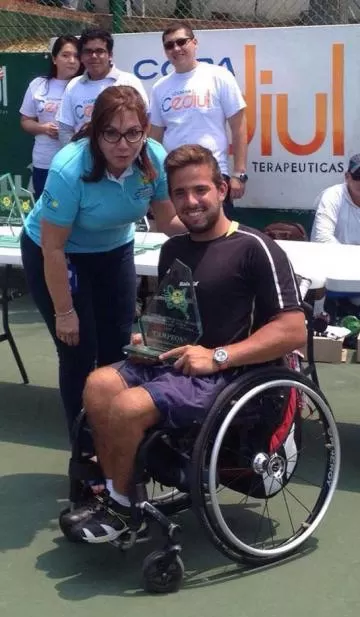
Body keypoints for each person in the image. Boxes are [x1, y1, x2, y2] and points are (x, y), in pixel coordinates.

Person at [62, 144, 307, 543]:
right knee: (98, 384)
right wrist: (154, 334)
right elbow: (178, 316)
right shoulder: (174, 249)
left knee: (128, 406)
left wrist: (217, 356)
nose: (190, 202)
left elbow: (293, 331)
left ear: (222, 189)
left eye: (200, 190)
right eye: (179, 193)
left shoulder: (255, 248)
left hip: (231, 376)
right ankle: (117, 492)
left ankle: (122, 509)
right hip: (174, 365)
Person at [20, 85, 184, 439]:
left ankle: (115, 441)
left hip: (114, 252)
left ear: (145, 131)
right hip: (59, 255)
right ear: (96, 132)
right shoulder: (69, 168)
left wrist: (219, 234)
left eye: (133, 133)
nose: (122, 145)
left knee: (117, 348)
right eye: (111, 133)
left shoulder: (153, 158)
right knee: (78, 352)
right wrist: (65, 312)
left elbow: (169, 223)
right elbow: (52, 248)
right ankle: (84, 455)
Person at [149, 20, 248, 218]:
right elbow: (154, 138)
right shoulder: (160, 88)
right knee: (177, 237)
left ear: (195, 43)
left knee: (219, 237)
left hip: (213, 172)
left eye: (181, 42)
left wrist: (239, 174)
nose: (176, 48)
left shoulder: (219, 76)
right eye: (169, 45)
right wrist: (152, 179)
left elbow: (239, 126)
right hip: (173, 176)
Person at [57, 28, 148, 147]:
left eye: (100, 51)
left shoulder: (129, 82)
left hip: (124, 156)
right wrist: (74, 158)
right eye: (88, 51)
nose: (94, 56)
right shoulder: (73, 86)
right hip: (85, 160)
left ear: (110, 55)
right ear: (82, 56)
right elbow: (65, 129)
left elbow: (146, 120)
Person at [19, 35, 81, 200]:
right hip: (44, 162)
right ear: (54, 58)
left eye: (76, 56)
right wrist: (43, 128)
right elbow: (25, 121)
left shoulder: (85, 86)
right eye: (65, 55)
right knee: (46, 212)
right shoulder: (38, 85)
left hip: (78, 163)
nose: (72, 60)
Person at [311, 154, 360, 244]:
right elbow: (322, 238)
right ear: (347, 177)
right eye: (358, 176)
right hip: (333, 256)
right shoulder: (332, 195)